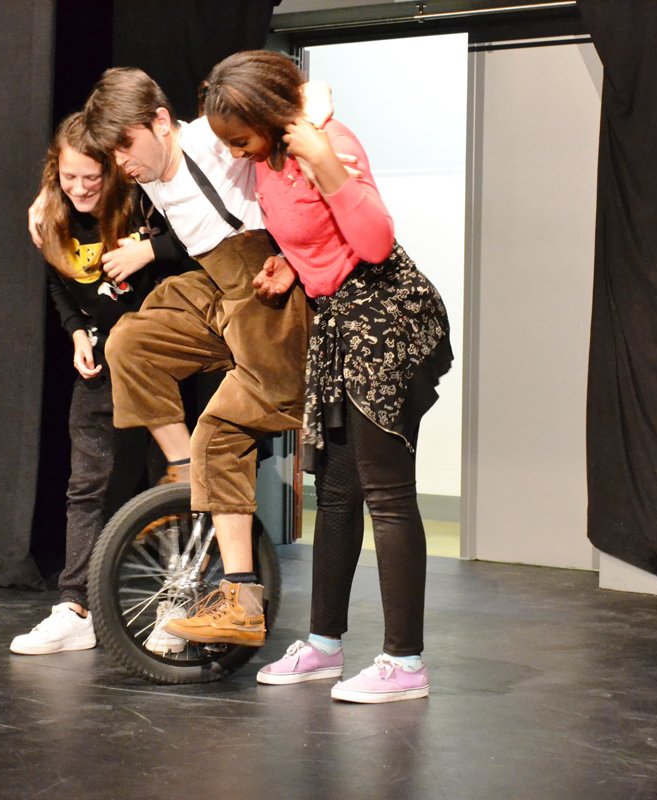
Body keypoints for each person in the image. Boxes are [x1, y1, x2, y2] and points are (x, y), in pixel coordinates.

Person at [200, 50, 454, 703]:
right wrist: (292, 262)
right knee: (336, 493)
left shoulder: (327, 144)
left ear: (267, 117)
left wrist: (323, 159)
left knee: (387, 493)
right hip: (339, 319)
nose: (234, 152)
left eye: (240, 139)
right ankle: (323, 645)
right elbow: (314, 228)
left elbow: (374, 242)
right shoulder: (272, 159)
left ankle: (406, 662)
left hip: (386, 317)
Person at [70, 67, 315, 648]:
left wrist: (314, 100)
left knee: (221, 435)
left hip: (268, 296)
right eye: (113, 154)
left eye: (126, 147)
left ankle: (241, 600)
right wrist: (44, 201)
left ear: (161, 122)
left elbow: (291, 104)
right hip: (217, 287)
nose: (122, 164)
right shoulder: (146, 170)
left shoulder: (209, 138)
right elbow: (75, 166)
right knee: (129, 342)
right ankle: (184, 471)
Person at [10, 112, 194, 656]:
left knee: (170, 478)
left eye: (91, 177)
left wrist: (150, 250)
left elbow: (206, 237)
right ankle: (76, 607)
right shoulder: (52, 214)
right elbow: (59, 278)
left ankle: (179, 602)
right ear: (55, 171)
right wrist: (75, 332)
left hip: (159, 357)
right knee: (85, 485)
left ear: (110, 171)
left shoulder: (142, 200)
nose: (81, 188)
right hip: (103, 359)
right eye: (70, 177)